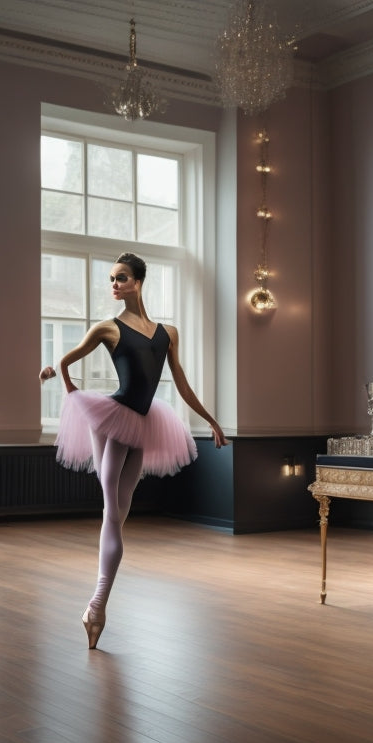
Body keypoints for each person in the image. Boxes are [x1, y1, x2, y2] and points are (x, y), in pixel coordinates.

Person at [40, 252, 227, 649]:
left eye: (121, 278)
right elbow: (66, 357)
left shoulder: (167, 334)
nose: (114, 284)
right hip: (110, 421)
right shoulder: (107, 329)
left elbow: (181, 384)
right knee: (111, 511)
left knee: (120, 515)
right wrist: (67, 387)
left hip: (143, 423)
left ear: (138, 282)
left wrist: (210, 419)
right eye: (111, 279)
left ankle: (94, 609)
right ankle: (98, 606)